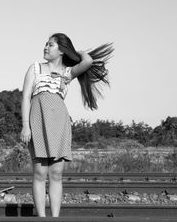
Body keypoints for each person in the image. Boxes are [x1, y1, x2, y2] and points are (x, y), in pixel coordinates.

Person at [20, 32, 114, 217]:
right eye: (46, 44)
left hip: (60, 123)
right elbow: (25, 97)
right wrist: (25, 125)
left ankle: (55, 218)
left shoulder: (67, 73)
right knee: (40, 174)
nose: (46, 47)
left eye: (51, 45)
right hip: (37, 121)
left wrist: (71, 52)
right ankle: (42, 218)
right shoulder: (35, 68)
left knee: (56, 174)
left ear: (61, 50)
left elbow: (87, 61)